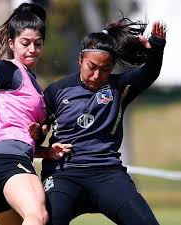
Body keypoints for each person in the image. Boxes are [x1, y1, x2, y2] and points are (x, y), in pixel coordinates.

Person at [36, 17, 166, 225]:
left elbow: (149, 73)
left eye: (105, 69)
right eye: (92, 66)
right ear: (80, 60)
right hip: (63, 174)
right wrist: (37, 135)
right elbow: (36, 137)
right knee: (46, 220)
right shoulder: (56, 91)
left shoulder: (120, 87)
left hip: (107, 173)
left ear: (113, 67)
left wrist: (157, 48)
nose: (97, 75)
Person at [0, 3, 71, 225]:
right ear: (12, 43)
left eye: (38, 44)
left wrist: (46, 152)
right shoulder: (6, 69)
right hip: (6, 162)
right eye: (25, 43)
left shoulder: (35, 87)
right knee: (38, 216)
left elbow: (19, 135)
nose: (32, 49)